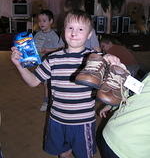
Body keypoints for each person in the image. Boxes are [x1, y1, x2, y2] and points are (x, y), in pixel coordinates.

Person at [11, 10, 98, 158]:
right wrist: (19, 65)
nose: (74, 33)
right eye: (70, 28)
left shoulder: (95, 59)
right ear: (64, 30)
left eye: (80, 29)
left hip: (83, 122)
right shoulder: (52, 58)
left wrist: (114, 62)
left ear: (89, 34)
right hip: (57, 120)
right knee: (62, 153)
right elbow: (33, 82)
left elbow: (115, 77)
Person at [97, 56, 150, 158]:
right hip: (132, 150)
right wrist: (112, 104)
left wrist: (112, 104)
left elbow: (138, 89)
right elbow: (139, 89)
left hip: (111, 132)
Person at [34, 9, 64, 111]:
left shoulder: (54, 35)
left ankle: (51, 102)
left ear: (51, 21)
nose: (41, 23)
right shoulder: (37, 35)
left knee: (52, 84)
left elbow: (60, 49)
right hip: (43, 63)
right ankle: (47, 101)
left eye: (44, 20)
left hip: (53, 63)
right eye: (39, 21)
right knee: (46, 84)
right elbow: (34, 48)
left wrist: (48, 50)